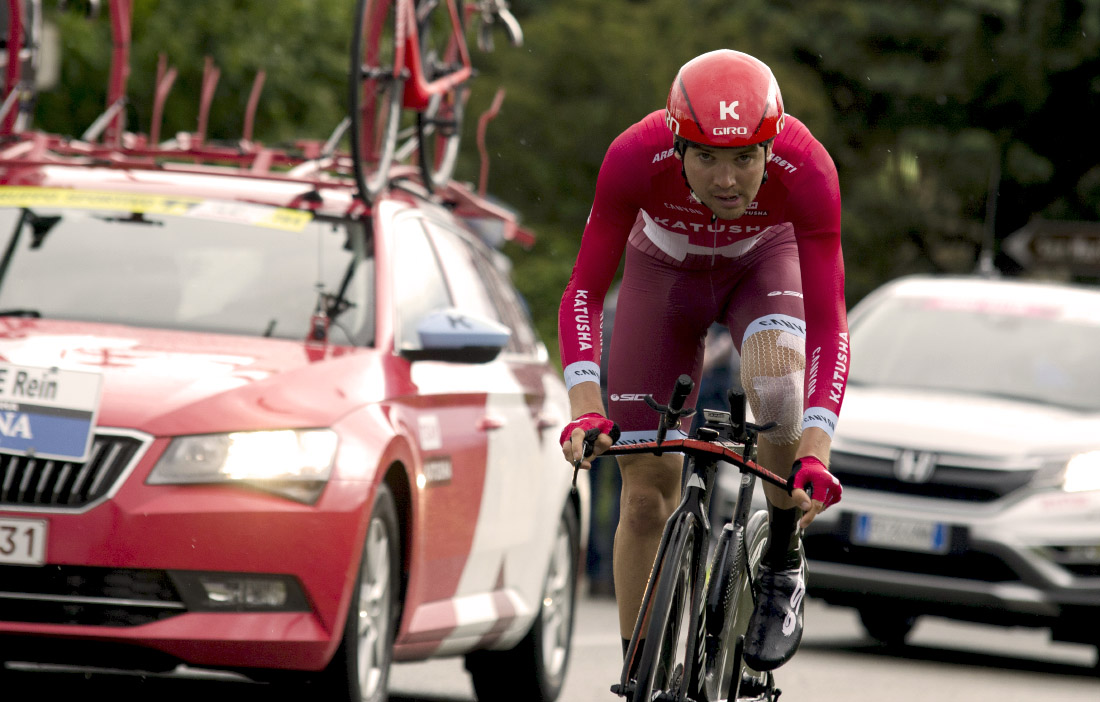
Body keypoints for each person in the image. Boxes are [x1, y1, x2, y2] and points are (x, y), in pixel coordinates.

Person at [557, 49, 848, 672]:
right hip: (662, 273)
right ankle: (640, 673)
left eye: (745, 159)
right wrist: (585, 410)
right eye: (708, 158)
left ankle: (780, 557)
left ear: (770, 148)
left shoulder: (810, 169)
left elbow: (828, 325)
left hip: (762, 265)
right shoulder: (634, 154)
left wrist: (815, 452)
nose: (726, 180)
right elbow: (583, 290)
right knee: (642, 497)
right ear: (677, 142)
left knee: (774, 386)